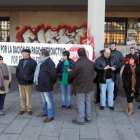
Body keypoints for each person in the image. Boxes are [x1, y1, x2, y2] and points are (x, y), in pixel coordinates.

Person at [68, 48, 94, 125]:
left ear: (78, 54)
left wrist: (70, 72)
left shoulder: (77, 63)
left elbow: (73, 74)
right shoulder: (90, 62)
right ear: (85, 53)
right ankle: (88, 117)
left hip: (80, 85)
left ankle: (81, 119)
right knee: (88, 101)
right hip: (89, 84)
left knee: (81, 102)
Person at [35, 49, 57, 123]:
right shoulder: (42, 62)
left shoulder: (49, 63)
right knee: (44, 100)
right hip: (41, 84)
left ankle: (50, 116)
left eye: (39, 54)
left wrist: (50, 82)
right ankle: (44, 112)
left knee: (49, 100)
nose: (39, 55)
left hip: (46, 85)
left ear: (43, 55)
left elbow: (53, 75)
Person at [16, 49, 37, 115]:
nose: (22, 54)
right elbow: (17, 70)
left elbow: (35, 72)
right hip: (21, 81)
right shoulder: (21, 61)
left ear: (27, 54)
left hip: (28, 82)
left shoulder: (33, 62)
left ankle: (29, 108)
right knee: (22, 96)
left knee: (28, 96)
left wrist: (30, 78)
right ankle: (23, 108)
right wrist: (18, 77)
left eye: (23, 53)